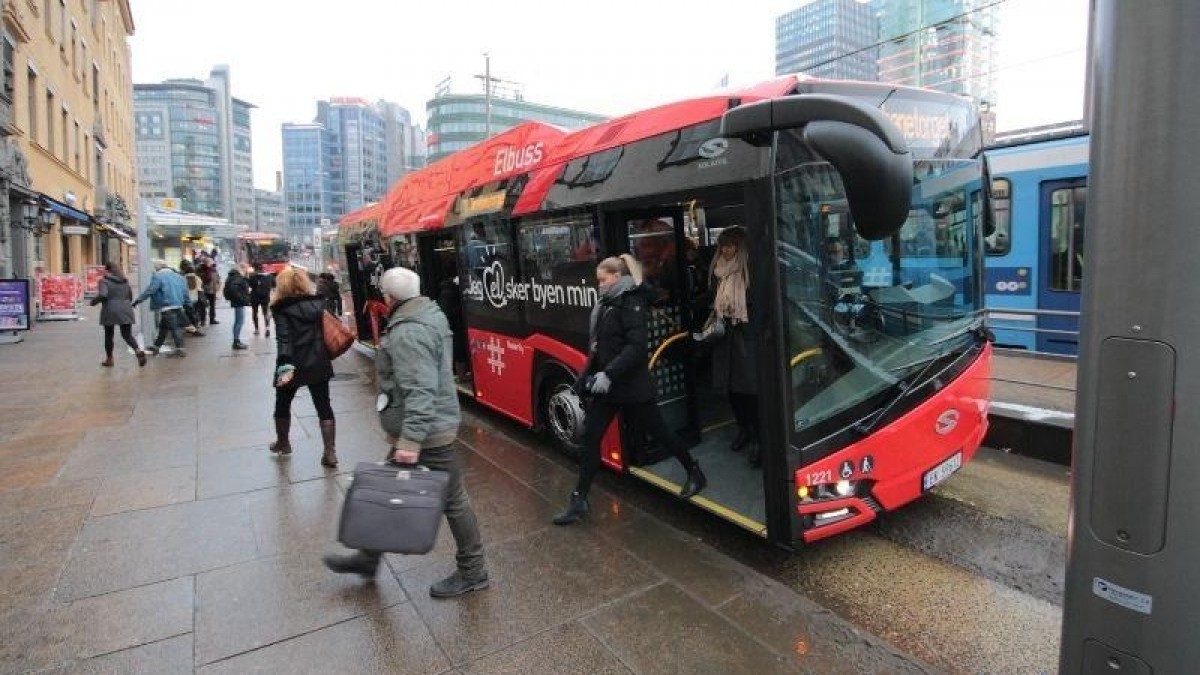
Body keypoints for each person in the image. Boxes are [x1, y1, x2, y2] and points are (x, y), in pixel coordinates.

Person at [324, 267, 489, 599]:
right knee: (387, 491)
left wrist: (411, 441)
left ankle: (473, 571)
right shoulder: (429, 313)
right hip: (425, 427)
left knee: (454, 501)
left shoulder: (408, 333)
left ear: (389, 298)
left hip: (425, 432)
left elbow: (420, 390)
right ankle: (368, 558)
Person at [553, 255, 706, 526]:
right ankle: (579, 499)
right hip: (607, 388)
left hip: (632, 387)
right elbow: (600, 347)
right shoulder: (608, 302)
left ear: (617, 277)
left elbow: (636, 349)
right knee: (590, 438)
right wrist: (592, 375)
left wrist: (608, 374)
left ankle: (694, 471)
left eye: (603, 279)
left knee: (660, 432)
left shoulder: (631, 301)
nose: (599, 285)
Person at [268, 265, 338, 467]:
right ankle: (330, 454)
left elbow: (284, 339)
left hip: (293, 363)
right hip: (318, 360)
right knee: (324, 406)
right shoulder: (318, 304)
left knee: (282, 403)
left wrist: (284, 366)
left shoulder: (281, 308)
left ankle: (283, 443)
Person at [707, 226, 761, 466]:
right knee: (731, 390)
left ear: (740, 247)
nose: (725, 250)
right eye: (723, 245)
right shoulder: (717, 271)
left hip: (746, 338)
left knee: (750, 391)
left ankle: (758, 436)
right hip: (725, 338)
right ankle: (743, 429)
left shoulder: (750, 271)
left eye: (730, 245)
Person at [90, 261, 146, 367]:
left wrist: (94, 301)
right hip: (126, 309)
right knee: (127, 335)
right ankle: (138, 351)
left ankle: (109, 359)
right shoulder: (125, 281)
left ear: (107, 270)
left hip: (110, 310)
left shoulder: (104, 281)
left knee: (109, 335)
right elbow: (130, 296)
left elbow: (103, 295)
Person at [132, 259, 191, 358]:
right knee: (163, 327)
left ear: (157, 267)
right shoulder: (179, 277)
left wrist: (138, 300)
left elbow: (151, 290)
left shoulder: (158, 276)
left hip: (166, 305)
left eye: (155, 268)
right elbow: (185, 292)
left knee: (175, 327)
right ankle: (156, 346)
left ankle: (180, 349)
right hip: (178, 304)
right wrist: (189, 305)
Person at [223, 265, 251, 350]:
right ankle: (236, 342)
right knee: (239, 322)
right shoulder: (237, 277)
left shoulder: (233, 276)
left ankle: (236, 341)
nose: (247, 270)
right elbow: (233, 289)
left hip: (237, 302)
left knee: (238, 321)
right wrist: (242, 298)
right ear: (241, 269)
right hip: (239, 302)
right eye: (246, 268)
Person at [247, 263, 275, 337]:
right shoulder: (269, 276)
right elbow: (274, 285)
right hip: (265, 296)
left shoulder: (252, 276)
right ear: (263, 268)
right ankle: (267, 328)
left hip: (254, 297)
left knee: (255, 312)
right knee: (266, 313)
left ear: (255, 269)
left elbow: (249, 285)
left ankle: (257, 329)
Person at [198, 254, 220, 324]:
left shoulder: (213, 270)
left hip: (212, 290)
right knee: (203, 306)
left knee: (212, 306)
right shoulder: (200, 269)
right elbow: (199, 279)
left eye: (210, 262)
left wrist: (217, 286)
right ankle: (203, 320)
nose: (210, 263)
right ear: (205, 262)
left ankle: (212, 319)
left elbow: (217, 279)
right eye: (208, 262)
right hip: (203, 290)